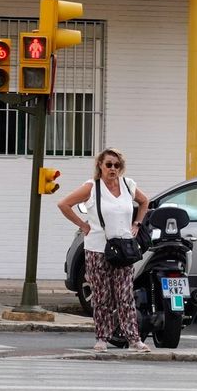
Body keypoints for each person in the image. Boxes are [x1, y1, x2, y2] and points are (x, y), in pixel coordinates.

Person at [58, 148, 152, 352]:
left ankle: (134, 339)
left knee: (125, 295)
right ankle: (102, 337)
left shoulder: (128, 185)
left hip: (124, 248)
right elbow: (64, 204)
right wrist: (83, 226)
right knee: (102, 296)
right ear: (100, 165)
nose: (113, 169)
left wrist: (137, 223)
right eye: (108, 164)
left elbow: (145, 201)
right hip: (97, 249)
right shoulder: (92, 187)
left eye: (117, 165)